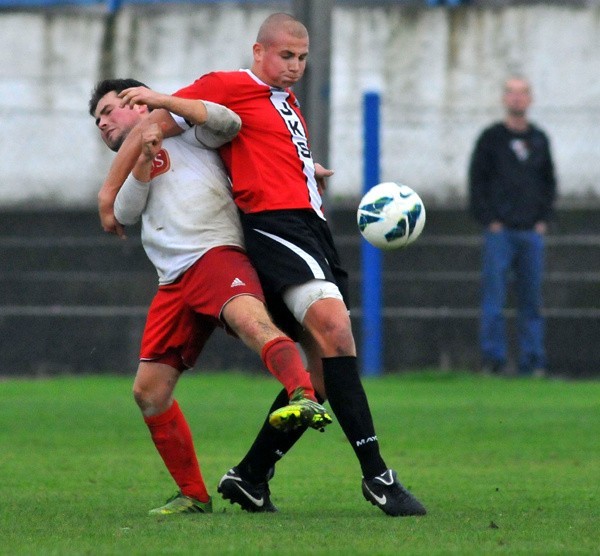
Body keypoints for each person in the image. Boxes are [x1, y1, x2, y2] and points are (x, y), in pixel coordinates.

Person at [98, 13, 426, 517]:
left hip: (295, 229)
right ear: (258, 52)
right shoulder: (228, 85)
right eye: (285, 56)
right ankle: (376, 477)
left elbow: (234, 134)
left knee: (324, 367)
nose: (295, 67)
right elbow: (170, 132)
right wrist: (113, 185)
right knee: (331, 335)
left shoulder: (280, 103)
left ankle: (250, 476)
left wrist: (305, 166)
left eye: (301, 58)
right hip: (269, 229)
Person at [89, 78, 332, 516]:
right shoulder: (130, 161)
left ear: (138, 101)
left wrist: (165, 106)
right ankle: (193, 495)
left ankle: (302, 395)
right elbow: (125, 213)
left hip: (215, 254)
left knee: (251, 321)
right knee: (149, 392)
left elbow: (230, 121)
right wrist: (142, 162)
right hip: (173, 280)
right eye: (97, 119)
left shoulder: (189, 132)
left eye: (109, 110)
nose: (102, 122)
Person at [468, 75, 557, 377]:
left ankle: (533, 361)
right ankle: (493, 361)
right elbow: (476, 182)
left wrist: (543, 219)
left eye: (522, 93)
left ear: (530, 99)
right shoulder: (491, 138)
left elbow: (549, 182)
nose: (517, 98)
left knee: (531, 301)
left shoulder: (540, 139)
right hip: (500, 232)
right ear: (505, 99)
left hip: (531, 232)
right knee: (494, 299)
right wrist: (489, 220)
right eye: (511, 93)